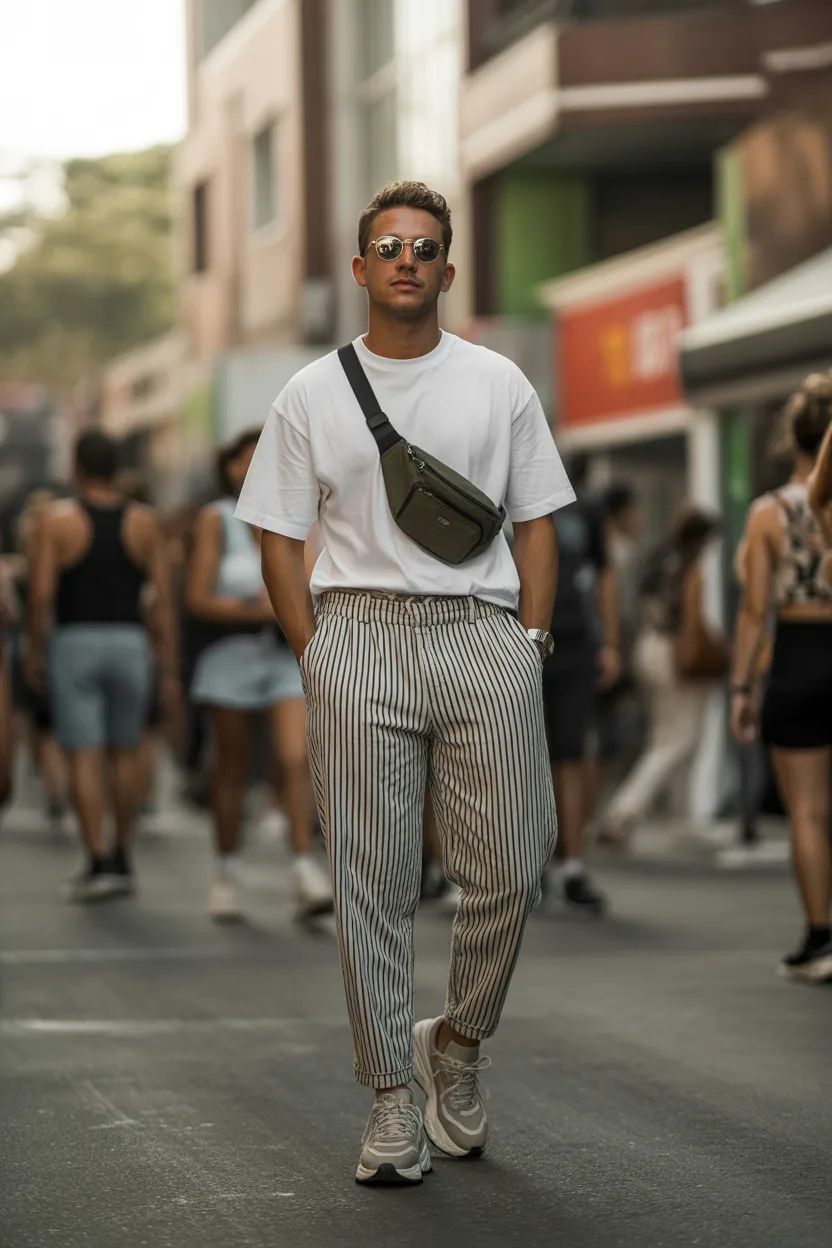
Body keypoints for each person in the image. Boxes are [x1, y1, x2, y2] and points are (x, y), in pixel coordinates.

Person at [236, 180, 572, 1185]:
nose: (405, 260)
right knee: (369, 882)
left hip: (482, 635)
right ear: (359, 268)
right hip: (359, 638)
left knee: (514, 864)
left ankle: (455, 1046)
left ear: (448, 269)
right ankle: (391, 1101)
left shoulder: (499, 383)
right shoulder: (308, 393)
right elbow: (277, 538)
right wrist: (317, 652)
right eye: (387, 245)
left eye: (424, 247)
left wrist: (532, 642)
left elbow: (539, 520)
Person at [186, 430, 331, 923]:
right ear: (227, 468)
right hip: (230, 658)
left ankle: (303, 868)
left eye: (260, 458)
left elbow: (313, 585)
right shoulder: (215, 521)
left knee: (295, 759)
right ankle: (225, 873)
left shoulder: (302, 519)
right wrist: (260, 612)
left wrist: (286, 613)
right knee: (232, 768)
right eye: (241, 459)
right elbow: (199, 598)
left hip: (285, 658)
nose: (251, 468)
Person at [27, 431, 178, 901]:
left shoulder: (57, 523)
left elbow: (42, 594)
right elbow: (163, 601)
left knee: (84, 753)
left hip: (76, 640)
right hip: (130, 641)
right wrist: (169, 664)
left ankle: (97, 860)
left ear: (77, 467)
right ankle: (123, 852)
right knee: (127, 750)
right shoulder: (145, 522)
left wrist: (36, 648)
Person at [731, 374, 832, 981]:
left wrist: (744, 686)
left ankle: (821, 938)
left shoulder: (770, 514)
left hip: (797, 654)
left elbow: (753, 610)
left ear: (794, 440)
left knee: (808, 811)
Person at [602, 504, 725, 845]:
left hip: (649, 649)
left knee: (665, 737)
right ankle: (624, 810)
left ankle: (680, 818)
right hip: (676, 654)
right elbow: (693, 621)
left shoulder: (658, 559)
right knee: (680, 741)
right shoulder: (691, 570)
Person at [542, 471, 620, 916]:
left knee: (572, 756)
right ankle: (530, 864)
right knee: (522, 759)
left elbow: (605, 575)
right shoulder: (499, 492)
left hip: (574, 646)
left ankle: (572, 866)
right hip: (516, 642)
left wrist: (610, 642)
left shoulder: (585, 506)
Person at [11, 490, 70, 831]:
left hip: (36, 640)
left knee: (42, 722)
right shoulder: (67, 544)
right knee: (51, 721)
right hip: (58, 638)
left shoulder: (24, 557)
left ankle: (54, 788)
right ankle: (59, 787)